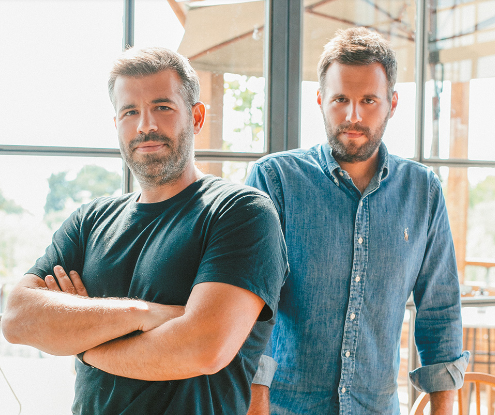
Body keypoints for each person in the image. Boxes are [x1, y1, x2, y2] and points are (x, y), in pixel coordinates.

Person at [1, 47, 287, 415]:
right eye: (130, 112)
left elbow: (202, 349)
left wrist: (82, 343)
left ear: (197, 117)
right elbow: (18, 319)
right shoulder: (89, 221)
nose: (145, 126)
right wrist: (143, 313)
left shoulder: (241, 213)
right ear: (116, 124)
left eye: (162, 107)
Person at [245, 27, 469, 415]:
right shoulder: (275, 179)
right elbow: (250, 308)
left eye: (368, 100)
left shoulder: (423, 190)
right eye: (340, 99)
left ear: (392, 103)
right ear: (320, 100)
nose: (353, 116)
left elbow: (440, 310)